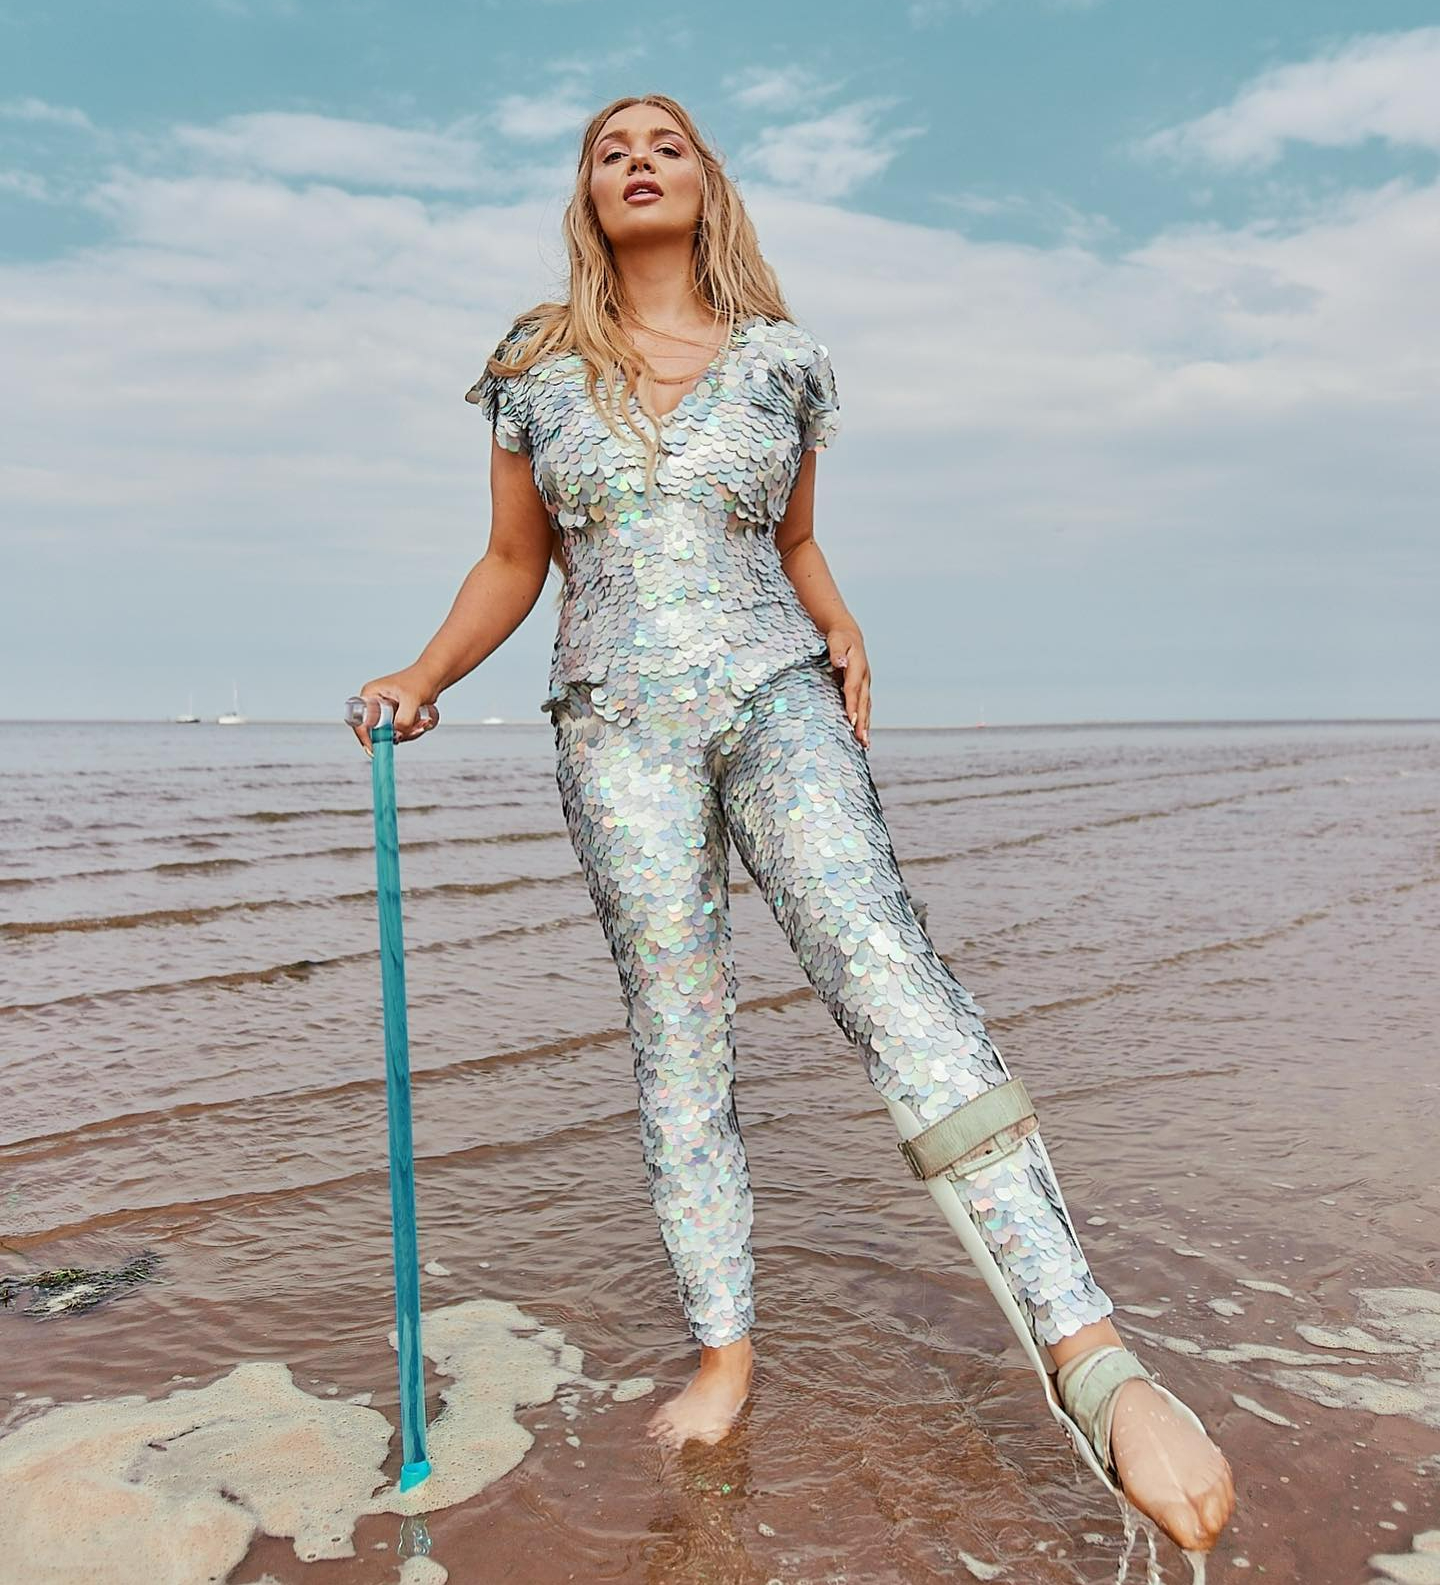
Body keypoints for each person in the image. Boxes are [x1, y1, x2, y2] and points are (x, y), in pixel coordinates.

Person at [350, 92, 1235, 1555]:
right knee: (679, 1026)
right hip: (613, 723)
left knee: (885, 965)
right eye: (608, 149)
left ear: (709, 183)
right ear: (587, 194)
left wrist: (837, 615)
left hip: (777, 692)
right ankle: (725, 1350)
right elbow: (516, 559)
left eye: (666, 144)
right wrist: (423, 674)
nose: (636, 159)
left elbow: (797, 537)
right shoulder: (533, 365)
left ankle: (1092, 1349)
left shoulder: (783, 362)